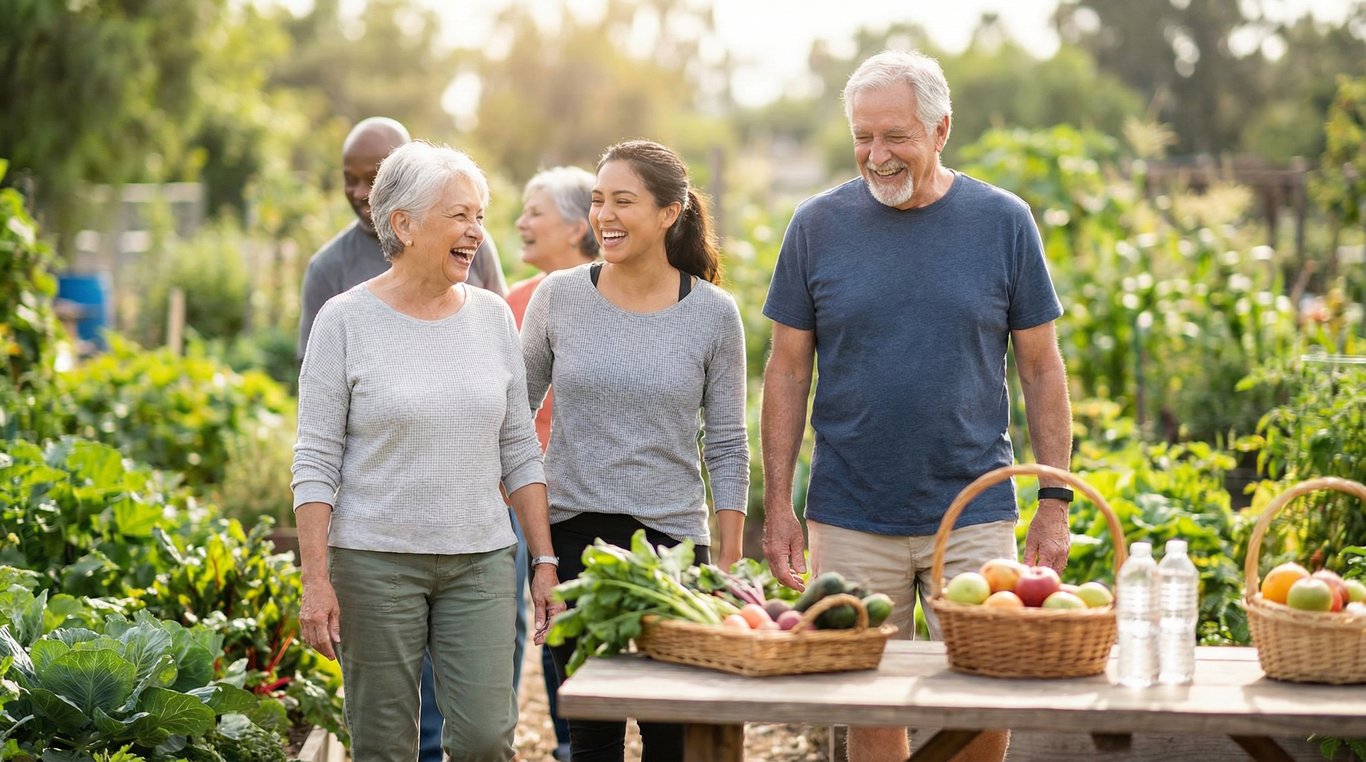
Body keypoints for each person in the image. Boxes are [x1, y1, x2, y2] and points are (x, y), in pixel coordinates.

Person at [760, 50, 1072, 762]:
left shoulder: (1002, 222)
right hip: (849, 511)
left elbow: (1042, 368)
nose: (877, 155)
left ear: (940, 130)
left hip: (974, 507)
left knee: (985, 693)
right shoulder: (816, 227)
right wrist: (778, 503)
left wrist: (1053, 502)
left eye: (894, 135)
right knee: (867, 702)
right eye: (863, 137)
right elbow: (785, 370)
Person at [292, 141, 564, 761]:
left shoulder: (494, 317)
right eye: (459, 216)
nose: (475, 233)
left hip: (480, 560)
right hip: (373, 561)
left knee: (484, 739)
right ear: (404, 224)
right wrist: (315, 578)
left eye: (479, 217)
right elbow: (314, 460)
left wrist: (543, 559)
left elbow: (519, 449)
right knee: (385, 744)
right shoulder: (343, 321)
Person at [522, 140, 749, 761]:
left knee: (671, 736)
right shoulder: (559, 297)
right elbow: (513, 420)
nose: (605, 216)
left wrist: (726, 564)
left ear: (670, 212)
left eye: (624, 201)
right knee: (591, 736)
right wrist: (541, 552)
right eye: (598, 201)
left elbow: (728, 445)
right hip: (576, 541)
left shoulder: (713, 315)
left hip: (673, 548)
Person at [506, 165, 599, 762]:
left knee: (574, 614)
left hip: (584, 484)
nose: (519, 222)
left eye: (534, 211)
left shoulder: (609, 294)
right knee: (528, 613)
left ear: (576, 226)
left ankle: (580, 741)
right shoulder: (511, 302)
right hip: (518, 486)